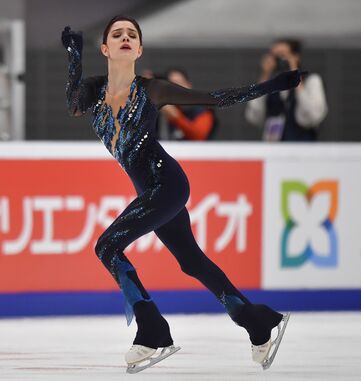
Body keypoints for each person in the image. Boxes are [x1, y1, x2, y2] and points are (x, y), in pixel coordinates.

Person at [62, 16, 301, 373]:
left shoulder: (153, 89)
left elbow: (216, 99)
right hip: (150, 189)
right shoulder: (93, 90)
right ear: (106, 48)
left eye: (132, 35)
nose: (125, 38)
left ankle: (153, 330)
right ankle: (257, 322)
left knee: (106, 246)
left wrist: (273, 85)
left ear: (139, 49)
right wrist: (74, 58)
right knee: (190, 261)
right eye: (117, 34)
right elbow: (73, 105)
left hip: (167, 183)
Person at [245, 38, 328, 141]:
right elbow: (254, 116)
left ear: (296, 57)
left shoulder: (311, 81)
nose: (279, 60)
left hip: (302, 148)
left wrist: (295, 74)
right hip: (274, 149)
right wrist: (265, 75)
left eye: (283, 55)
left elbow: (313, 115)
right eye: (275, 56)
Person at [159, 68, 218, 140]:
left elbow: (199, 137)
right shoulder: (160, 110)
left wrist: (176, 116)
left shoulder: (202, 109)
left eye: (179, 83)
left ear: (188, 85)